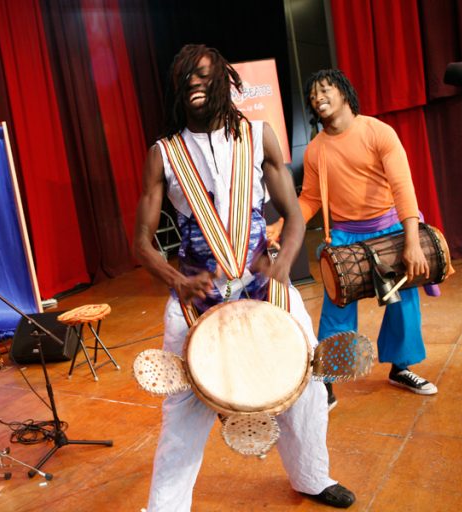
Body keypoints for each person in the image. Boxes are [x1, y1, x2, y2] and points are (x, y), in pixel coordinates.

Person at [134, 44, 355, 510]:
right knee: (183, 409)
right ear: (177, 90)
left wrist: (284, 261)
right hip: (195, 298)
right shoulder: (164, 154)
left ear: (224, 83)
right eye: (185, 80)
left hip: (266, 288)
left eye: (204, 77)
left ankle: (312, 477)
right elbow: (141, 242)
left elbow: (294, 217)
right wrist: (173, 277)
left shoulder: (260, 136)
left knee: (307, 385)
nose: (194, 84)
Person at [268, 69, 437, 405]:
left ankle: (400, 368)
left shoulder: (378, 132)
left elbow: (403, 186)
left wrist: (412, 240)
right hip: (346, 236)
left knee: (403, 304)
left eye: (325, 90)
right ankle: (327, 382)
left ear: (344, 92)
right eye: (313, 96)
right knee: (337, 309)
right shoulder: (316, 150)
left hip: (389, 230)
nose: (318, 98)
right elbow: (311, 199)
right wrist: (283, 224)